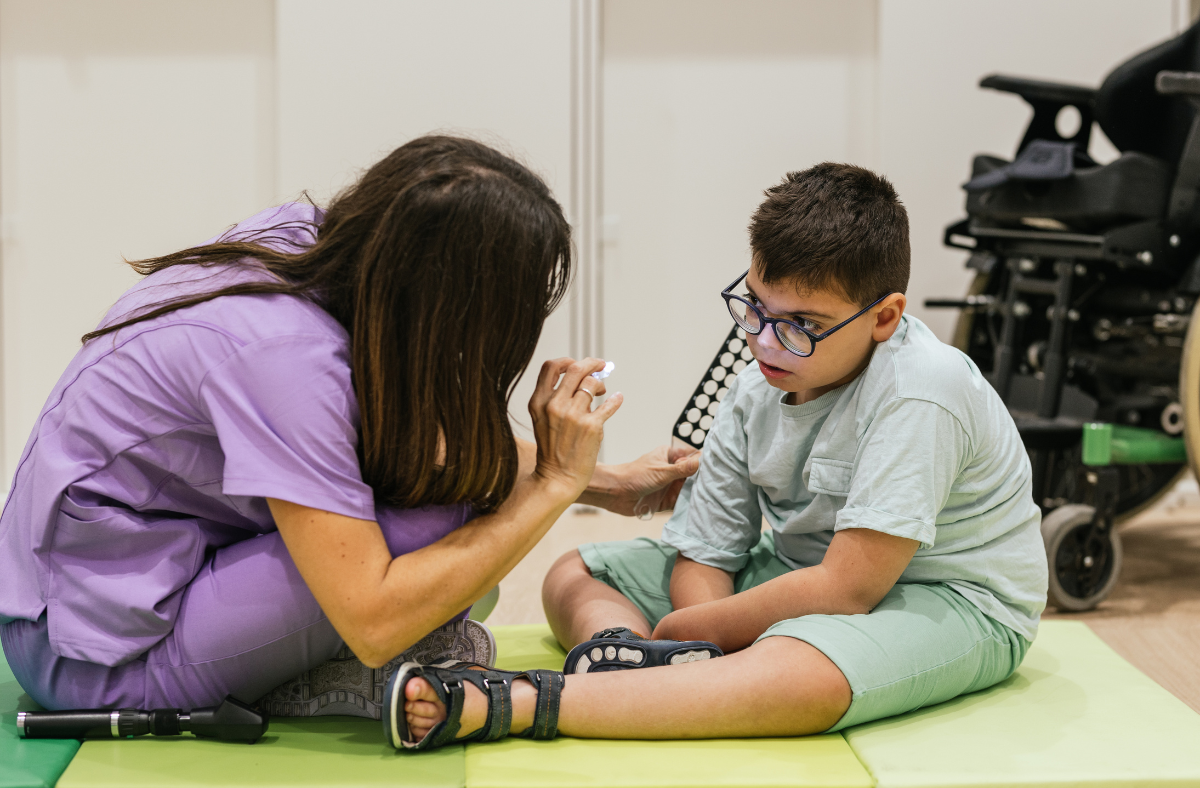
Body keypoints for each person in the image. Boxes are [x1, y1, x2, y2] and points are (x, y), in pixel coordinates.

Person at [0, 135, 699, 718]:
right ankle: (301, 685)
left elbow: (400, 437)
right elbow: (374, 620)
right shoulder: (286, 359)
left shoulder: (310, 243)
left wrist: (605, 484)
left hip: (89, 594)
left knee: (454, 511)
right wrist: (551, 485)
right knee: (446, 519)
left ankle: (296, 665)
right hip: (94, 662)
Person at [389, 162, 1048, 748]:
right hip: (802, 571)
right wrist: (698, 633)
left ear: (883, 317)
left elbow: (850, 588)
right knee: (576, 575)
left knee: (807, 677)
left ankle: (528, 701)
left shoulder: (921, 391)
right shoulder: (758, 380)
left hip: (945, 598)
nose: (766, 342)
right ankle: (627, 665)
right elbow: (708, 549)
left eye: (800, 326)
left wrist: (683, 629)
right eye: (755, 308)